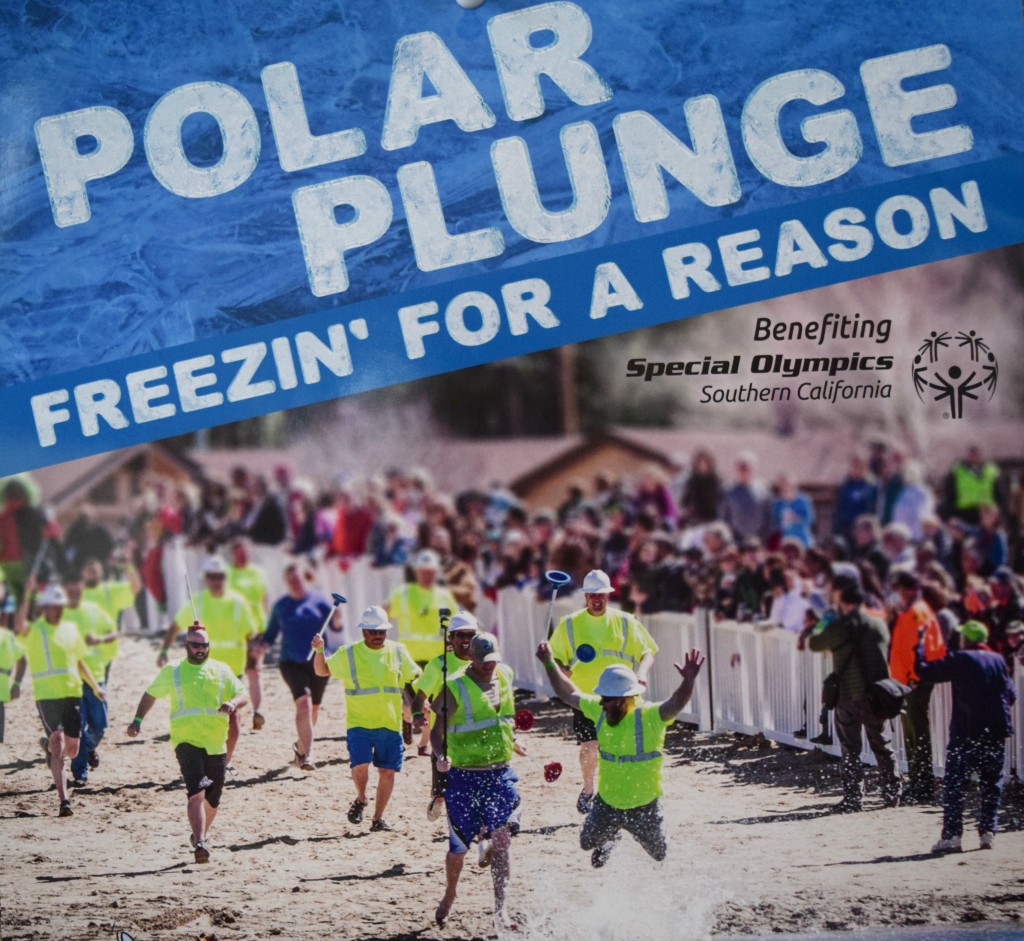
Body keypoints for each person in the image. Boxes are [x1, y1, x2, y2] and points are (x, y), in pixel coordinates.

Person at [537, 642, 704, 867]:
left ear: (624, 698)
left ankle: (622, 831)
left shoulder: (650, 716)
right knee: (586, 842)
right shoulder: (600, 710)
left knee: (659, 854)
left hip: (645, 805)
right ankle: (611, 837)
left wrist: (689, 680)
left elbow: (675, 704)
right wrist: (548, 662)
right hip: (608, 804)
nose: (602, 703)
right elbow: (569, 694)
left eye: (606, 699)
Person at [127, 624, 248, 864]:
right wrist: (137, 719)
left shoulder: (221, 670)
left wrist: (233, 704)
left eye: (204, 645)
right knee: (196, 792)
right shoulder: (173, 670)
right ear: (186, 646)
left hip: (215, 743)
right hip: (185, 740)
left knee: (213, 799)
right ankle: (201, 842)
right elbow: (151, 694)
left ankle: (199, 834)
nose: (201, 649)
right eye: (196, 645)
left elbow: (243, 694)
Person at [548, 568, 658, 814]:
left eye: (602, 595)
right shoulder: (570, 624)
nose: (597, 600)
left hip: (623, 697)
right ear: (585, 596)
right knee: (589, 746)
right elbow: (553, 657)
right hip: (586, 697)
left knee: (623, 749)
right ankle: (588, 789)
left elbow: (648, 652)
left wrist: (642, 673)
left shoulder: (625, 621)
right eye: (592, 595)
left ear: (609, 595)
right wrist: (560, 668)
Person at [430, 632, 520, 930]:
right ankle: (450, 893)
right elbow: (436, 731)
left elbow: (505, 719)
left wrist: (515, 741)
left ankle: (500, 909)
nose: (489, 667)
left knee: (503, 841)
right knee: (459, 846)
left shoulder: (505, 675)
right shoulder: (454, 686)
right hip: (465, 776)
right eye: (483, 662)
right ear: (472, 658)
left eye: (493, 661)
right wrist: (441, 755)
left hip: (500, 772)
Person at [311, 605, 420, 832]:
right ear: (363, 632)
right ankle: (361, 798)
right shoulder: (349, 653)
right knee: (360, 767)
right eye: (373, 631)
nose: (378, 636)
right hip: (359, 724)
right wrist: (320, 651)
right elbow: (322, 671)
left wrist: (423, 700)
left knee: (387, 772)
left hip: (390, 724)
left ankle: (377, 819)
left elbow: (416, 676)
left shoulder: (398, 651)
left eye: (382, 631)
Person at [916, 621, 1016, 853]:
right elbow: (1010, 695)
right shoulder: (998, 660)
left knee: (955, 785)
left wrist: (919, 646)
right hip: (995, 730)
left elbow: (926, 672)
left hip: (967, 731)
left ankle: (952, 837)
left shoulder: (961, 658)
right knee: (991, 783)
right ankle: (987, 833)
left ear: (965, 640)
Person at [807, 583, 902, 812]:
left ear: (844, 603)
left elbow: (814, 643)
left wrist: (823, 623)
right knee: (882, 744)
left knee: (851, 749)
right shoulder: (878, 624)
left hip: (848, 694)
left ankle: (853, 798)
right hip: (877, 695)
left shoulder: (840, 626)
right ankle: (892, 792)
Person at [159, 555, 260, 766]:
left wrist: (254, 658)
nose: (216, 580)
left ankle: (225, 762)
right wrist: (163, 651)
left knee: (233, 719)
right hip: (203, 670)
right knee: (205, 719)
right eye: (212, 576)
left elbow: (251, 634)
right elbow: (176, 626)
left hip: (232, 670)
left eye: (220, 576)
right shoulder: (197, 602)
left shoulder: (238, 603)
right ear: (206, 578)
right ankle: (204, 759)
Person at [14, 582, 105, 817]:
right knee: (58, 745)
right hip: (46, 696)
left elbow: (80, 661)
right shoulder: (35, 630)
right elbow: (18, 624)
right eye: (54, 606)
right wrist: (27, 595)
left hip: (72, 693)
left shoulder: (70, 629)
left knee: (74, 751)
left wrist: (95, 687)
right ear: (45, 607)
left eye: (61, 606)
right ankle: (64, 801)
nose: (59, 610)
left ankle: (50, 750)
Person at [260, 561, 340, 771]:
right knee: (303, 703)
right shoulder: (281, 606)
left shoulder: (320, 601)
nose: (296, 584)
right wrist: (261, 647)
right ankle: (309, 755)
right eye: (291, 581)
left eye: (298, 579)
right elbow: (270, 633)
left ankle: (301, 746)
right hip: (291, 662)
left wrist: (338, 619)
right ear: (287, 583)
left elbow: (335, 626)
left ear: (305, 578)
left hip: (319, 661)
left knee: (313, 708)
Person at [385, 549, 458, 749]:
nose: (427, 576)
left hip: (435, 660)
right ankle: (406, 718)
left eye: (431, 572)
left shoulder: (444, 597)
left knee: (432, 706)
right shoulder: (403, 594)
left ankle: (425, 744)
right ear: (416, 572)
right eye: (423, 572)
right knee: (411, 706)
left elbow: (455, 624)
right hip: (409, 660)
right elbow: (385, 614)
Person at [410, 610, 479, 819]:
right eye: (460, 635)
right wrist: (416, 712)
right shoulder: (439, 664)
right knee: (443, 784)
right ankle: (438, 798)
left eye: (470, 635)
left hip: (474, 729)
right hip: (444, 732)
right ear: (451, 638)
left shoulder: (483, 661)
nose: (466, 640)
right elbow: (420, 694)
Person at [888, 570, 946, 804]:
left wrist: (913, 677)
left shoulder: (917, 612)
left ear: (910, 589)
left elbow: (919, 646)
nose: (900, 593)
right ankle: (918, 783)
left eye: (902, 589)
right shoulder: (911, 611)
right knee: (912, 731)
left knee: (917, 731)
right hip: (906, 680)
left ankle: (922, 785)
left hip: (914, 680)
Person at [62, 574, 120, 787]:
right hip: (71, 680)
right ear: (64, 589)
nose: (74, 592)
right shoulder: (58, 615)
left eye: (77, 588)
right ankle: (80, 774)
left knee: (100, 726)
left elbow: (113, 633)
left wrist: (99, 639)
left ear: (81, 587)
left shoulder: (93, 610)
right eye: (70, 589)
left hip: (96, 676)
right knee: (77, 728)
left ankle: (88, 748)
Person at [226, 539, 269, 731]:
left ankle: (258, 711)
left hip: (255, 629)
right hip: (234, 631)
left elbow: (264, 599)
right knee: (235, 672)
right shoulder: (227, 574)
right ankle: (236, 710)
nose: (243, 556)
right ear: (233, 554)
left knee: (254, 671)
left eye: (246, 552)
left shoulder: (257, 573)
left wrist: (265, 626)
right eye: (239, 553)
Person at [0, 617, 27, 743]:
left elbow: (22, 659)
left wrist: (16, 684)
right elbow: (22, 659)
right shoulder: (7, 636)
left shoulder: (7, 636)